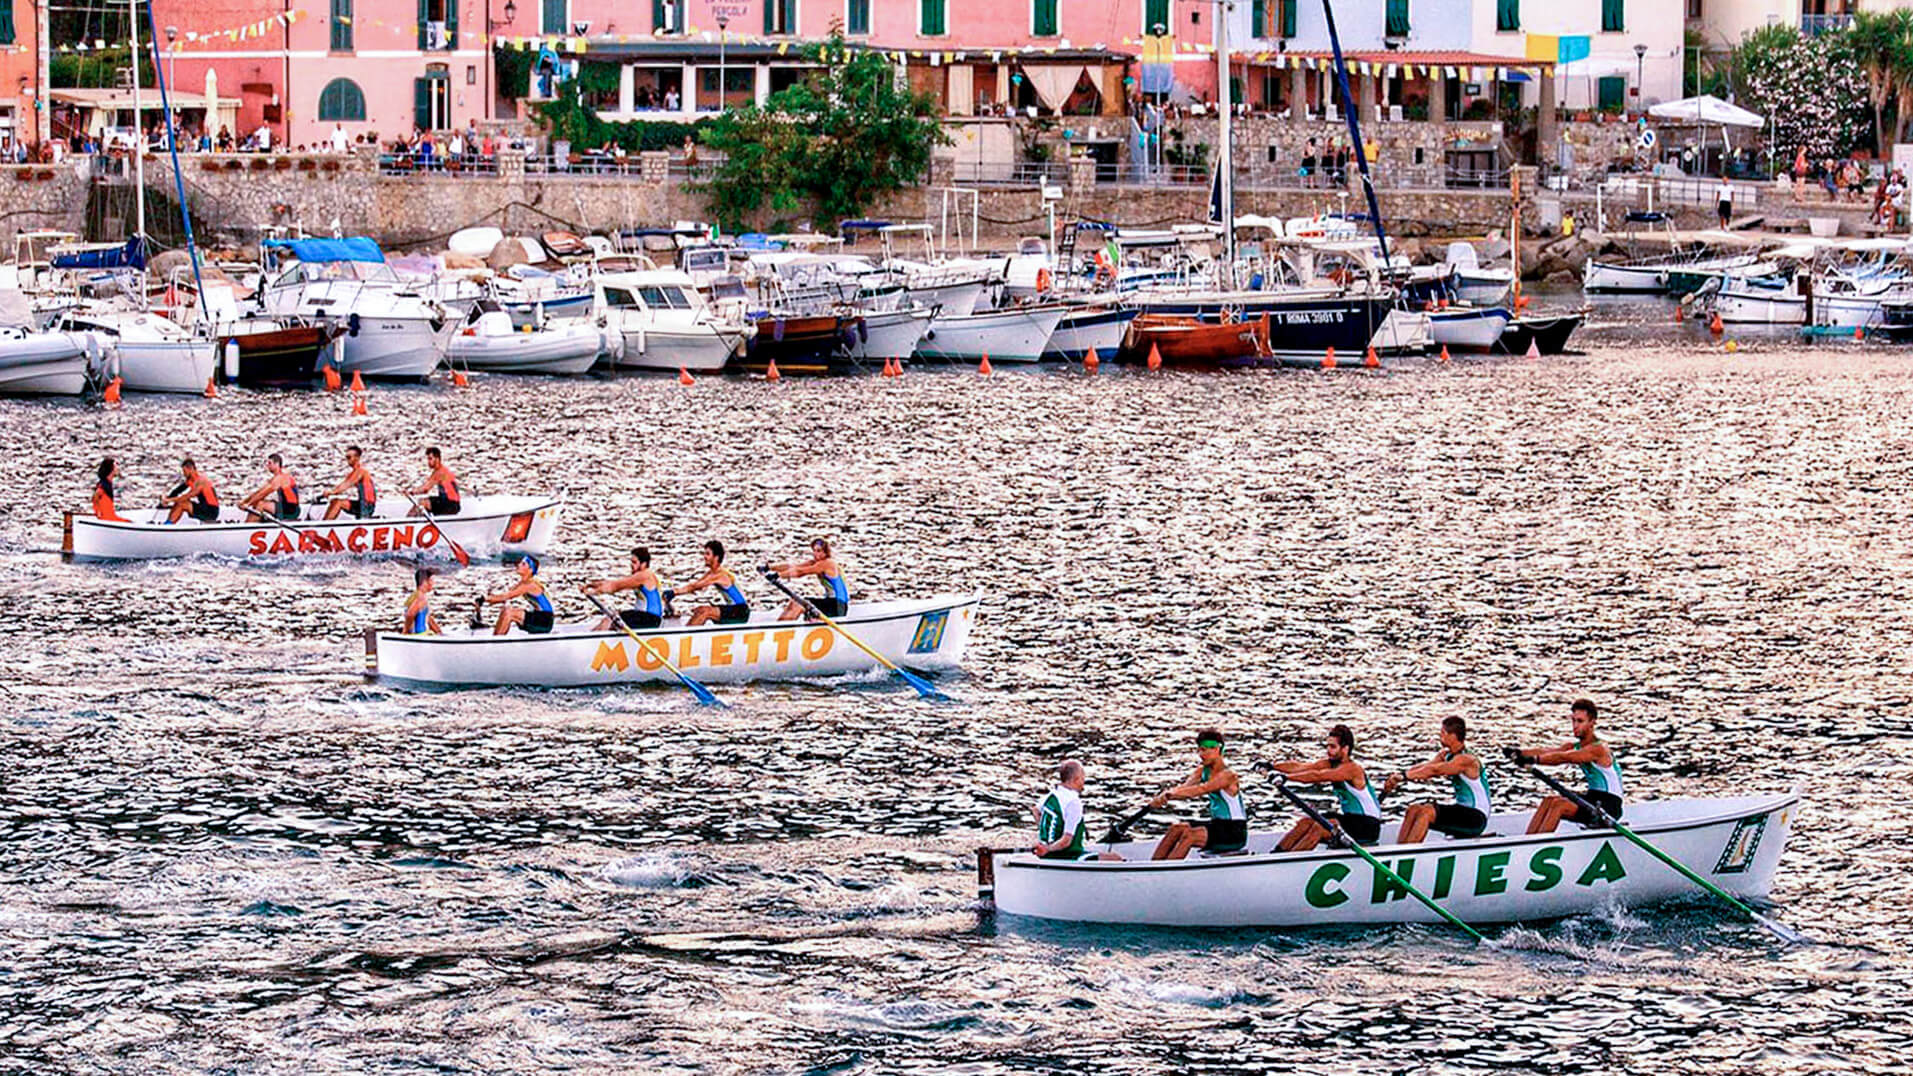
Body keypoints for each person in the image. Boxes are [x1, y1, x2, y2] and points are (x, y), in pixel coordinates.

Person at [1512, 698, 1623, 834]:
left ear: (1592, 723)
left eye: (1580, 721)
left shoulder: (1598, 749)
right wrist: (1519, 753)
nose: (1575, 726)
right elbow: (1547, 752)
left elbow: (1564, 757)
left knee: (1559, 805)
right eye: (1573, 720)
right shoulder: (1573, 746)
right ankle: (1527, 841)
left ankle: (1536, 846)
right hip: (1592, 799)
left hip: (1609, 806)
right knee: (1549, 800)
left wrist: (1534, 760)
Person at [1382, 716, 1492, 844]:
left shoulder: (1467, 760)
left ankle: (1409, 856)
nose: (1440, 736)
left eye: (1443, 733)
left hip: (1476, 818)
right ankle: (1399, 851)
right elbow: (1426, 767)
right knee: (1414, 809)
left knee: (1427, 812)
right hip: (1462, 811)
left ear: (1453, 736)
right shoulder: (1446, 754)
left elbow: (1436, 771)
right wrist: (1399, 775)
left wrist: (1405, 776)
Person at [1271, 724, 1382, 851]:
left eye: (1333, 747)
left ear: (1345, 749)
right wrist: (1272, 767)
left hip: (1368, 826)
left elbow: (1318, 776)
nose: (1328, 750)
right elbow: (1300, 767)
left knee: (1320, 827)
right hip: (1350, 820)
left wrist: (1286, 778)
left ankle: (1289, 864)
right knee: (1305, 822)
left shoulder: (1352, 769)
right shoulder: (1329, 763)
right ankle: (1276, 855)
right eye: (1327, 746)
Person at [1148, 728, 1247, 860]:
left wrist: (1169, 795)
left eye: (1204, 750)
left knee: (1190, 836)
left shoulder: (1228, 775)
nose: (1200, 754)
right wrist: (1163, 796)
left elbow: (1201, 790)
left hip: (1234, 832)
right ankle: (1153, 867)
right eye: (1199, 750)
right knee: (1176, 828)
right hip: (1217, 825)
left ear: (1217, 749)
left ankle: (1166, 875)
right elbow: (1184, 788)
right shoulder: (1202, 771)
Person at [1032, 760, 1120, 861]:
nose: (1084, 781)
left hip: (1048, 854)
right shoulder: (1073, 802)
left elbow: (1035, 810)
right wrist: (1048, 849)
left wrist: (1045, 840)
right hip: (1067, 856)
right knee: (1115, 858)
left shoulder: (1052, 795)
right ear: (1076, 779)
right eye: (1083, 777)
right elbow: (1066, 841)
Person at [584, 546, 665, 630]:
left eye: (634, 562)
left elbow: (614, 587)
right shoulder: (646, 575)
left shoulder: (644, 576)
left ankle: (592, 640)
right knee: (612, 619)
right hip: (646, 618)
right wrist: (591, 585)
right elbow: (613, 583)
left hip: (649, 619)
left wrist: (593, 592)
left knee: (610, 620)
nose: (631, 565)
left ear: (643, 564)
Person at [767, 537, 849, 619]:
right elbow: (793, 566)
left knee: (799, 604)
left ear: (826, 552)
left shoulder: (828, 563)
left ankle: (783, 630)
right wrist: (769, 567)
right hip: (829, 603)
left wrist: (778, 575)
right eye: (814, 550)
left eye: (819, 551)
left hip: (838, 606)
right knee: (795, 601)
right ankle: (780, 627)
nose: (815, 554)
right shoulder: (814, 562)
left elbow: (801, 572)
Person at [675, 539, 750, 626]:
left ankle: (685, 637)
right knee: (700, 610)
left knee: (705, 611)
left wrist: (674, 592)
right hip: (733, 610)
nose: (704, 557)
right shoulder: (711, 573)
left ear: (716, 557)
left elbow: (694, 587)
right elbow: (695, 585)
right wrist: (675, 592)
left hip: (740, 612)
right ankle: (686, 632)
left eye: (707, 554)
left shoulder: (719, 575)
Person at [482, 554, 555, 635]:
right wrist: (488, 599)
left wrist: (485, 599)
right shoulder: (522, 583)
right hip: (538, 617)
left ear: (530, 570)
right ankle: (495, 638)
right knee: (505, 610)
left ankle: (496, 643)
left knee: (509, 613)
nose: (518, 565)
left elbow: (506, 596)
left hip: (544, 621)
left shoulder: (529, 585)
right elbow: (503, 597)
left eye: (523, 564)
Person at [238, 453, 302, 522]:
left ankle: (248, 526)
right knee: (257, 502)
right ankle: (250, 523)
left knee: (260, 504)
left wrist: (248, 504)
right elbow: (260, 491)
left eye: (269, 463)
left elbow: (264, 494)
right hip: (284, 506)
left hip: (291, 510)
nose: (267, 465)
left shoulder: (281, 478)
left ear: (277, 464)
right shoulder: (275, 478)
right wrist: (245, 501)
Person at [321, 445, 377, 520]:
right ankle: (325, 523)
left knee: (338, 503)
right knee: (336, 501)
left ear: (357, 458)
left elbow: (347, 484)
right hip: (361, 504)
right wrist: (331, 492)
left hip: (366, 506)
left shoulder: (361, 472)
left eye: (349, 457)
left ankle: (324, 526)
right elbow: (342, 485)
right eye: (346, 458)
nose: (347, 460)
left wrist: (331, 492)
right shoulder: (353, 473)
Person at [160, 458, 220, 524]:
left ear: (190, 469)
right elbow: (177, 491)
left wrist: (169, 500)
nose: (184, 474)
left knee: (182, 503)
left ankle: (168, 526)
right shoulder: (190, 480)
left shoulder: (201, 481)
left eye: (184, 471)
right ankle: (168, 523)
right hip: (203, 508)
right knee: (179, 502)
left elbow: (187, 496)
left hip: (211, 511)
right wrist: (166, 500)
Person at [407, 446, 460, 516]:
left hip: (450, 504)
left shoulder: (440, 472)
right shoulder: (440, 470)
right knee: (424, 502)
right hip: (451, 503)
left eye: (430, 459)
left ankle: (407, 522)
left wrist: (411, 491)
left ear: (437, 459)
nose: (428, 462)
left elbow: (425, 489)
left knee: (422, 503)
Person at [403, 567, 442, 635]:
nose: (433, 583)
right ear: (425, 582)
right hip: (421, 635)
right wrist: (405, 632)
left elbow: (429, 619)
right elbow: (410, 614)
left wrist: (440, 633)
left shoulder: (415, 595)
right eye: (431, 580)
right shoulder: (421, 598)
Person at [91, 457, 126, 521]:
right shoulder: (103, 485)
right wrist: (98, 512)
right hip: (108, 519)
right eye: (115, 466)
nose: (117, 468)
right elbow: (95, 497)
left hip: (110, 517)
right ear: (111, 469)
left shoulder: (108, 483)